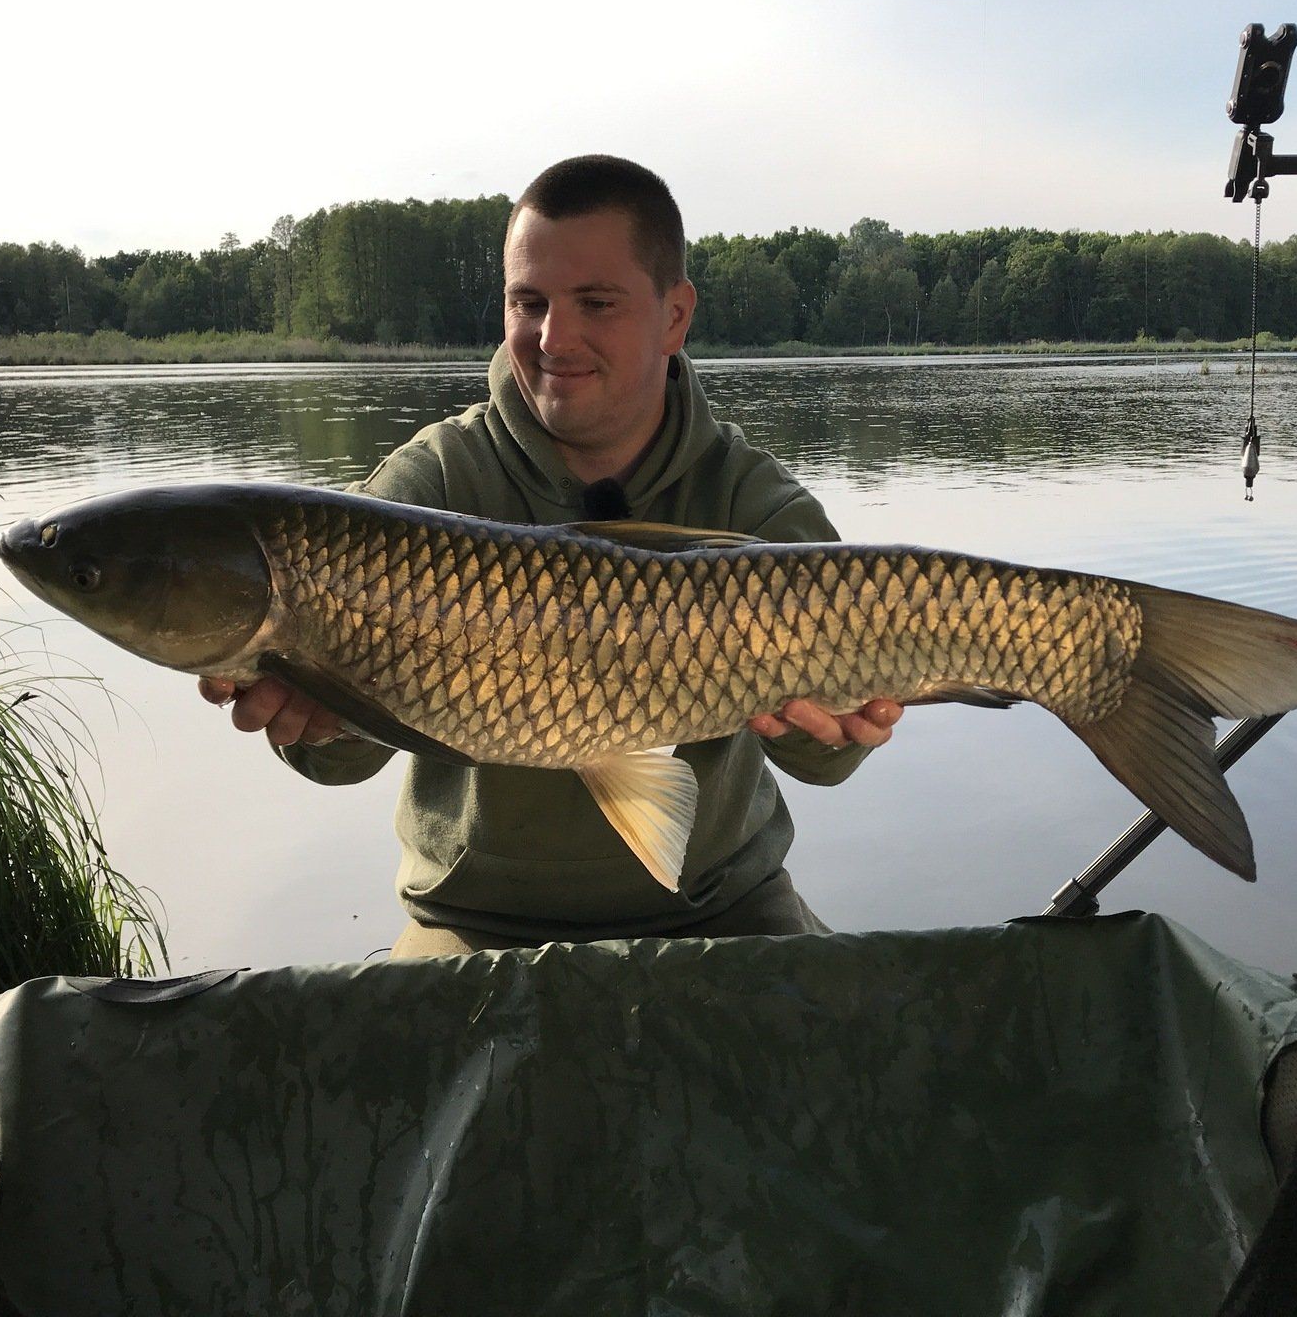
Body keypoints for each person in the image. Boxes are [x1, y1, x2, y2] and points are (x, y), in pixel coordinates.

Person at [199, 155, 901, 956]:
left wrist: (827, 731)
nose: (553, 338)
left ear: (674, 316)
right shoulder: (423, 486)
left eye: (595, 303)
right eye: (527, 302)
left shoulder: (754, 504)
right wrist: (323, 728)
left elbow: (829, 762)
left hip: (723, 906)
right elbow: (339, 764)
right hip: (475, 919)